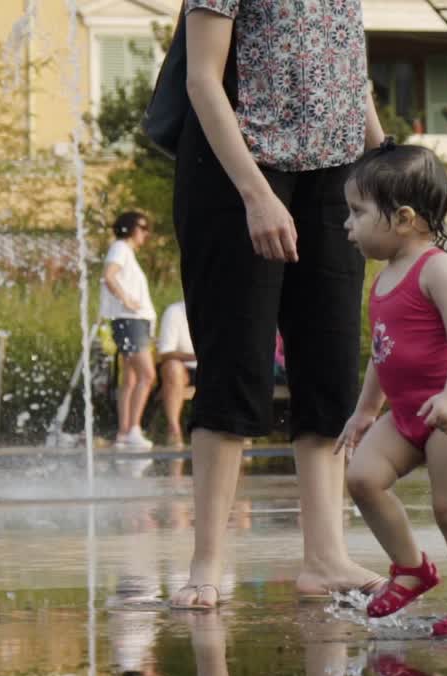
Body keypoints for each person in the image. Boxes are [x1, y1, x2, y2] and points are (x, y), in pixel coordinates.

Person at [169, 0, 387, 609]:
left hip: (336, 173)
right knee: (235, 362)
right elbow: (201, 78)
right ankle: (206, 561)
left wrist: (384, 156)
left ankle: (325, 556)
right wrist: (256, 195)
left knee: (329, 365)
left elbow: (349, 70)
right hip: (236, 171)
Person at [336, 143, 447, 636]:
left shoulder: (437, 269)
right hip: (406, 410)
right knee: (362, 478)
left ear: (404, 217)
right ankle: (410, 567)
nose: (349, 224)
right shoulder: (383, 279)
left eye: (358, 212)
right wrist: (366, 411)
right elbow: (382, 353)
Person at [100, 211, 157, 451]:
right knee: (147, 375)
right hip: (130, 320)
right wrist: (127, 300)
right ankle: (133, 428)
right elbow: (109, 276)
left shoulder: (125, 252)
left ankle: (125, 431)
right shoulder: (121, 248)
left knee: (131, 378)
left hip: (133, 321)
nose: (145, 233)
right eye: (142, 228)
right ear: (131, 229)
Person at [156, 299, 197, 450]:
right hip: (184, 368)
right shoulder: (174, 312)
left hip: (212, 367)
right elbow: (165, 353)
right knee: (172, 368)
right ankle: (174, 430)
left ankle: (236, 430)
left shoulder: (221, 312)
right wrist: (196, 356)